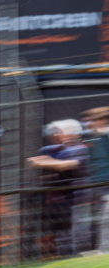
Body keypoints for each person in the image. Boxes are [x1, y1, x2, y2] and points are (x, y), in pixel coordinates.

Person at [29, 119, 91, 257]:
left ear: (71, 133)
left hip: (76, 199)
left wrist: (45, 162)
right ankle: (66, 258)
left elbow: (66, 165)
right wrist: (47, 163)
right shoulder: (51, 150)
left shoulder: (79, 148)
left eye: (58, 131)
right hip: (56, 200)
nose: (54, 135)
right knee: (62, 233)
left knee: (76, 234)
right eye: (53, 131)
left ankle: (78, 259)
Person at [83, 107, 109, 252]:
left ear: (102, 120)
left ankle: (105, 251)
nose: (89, 123)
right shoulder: (92, 137)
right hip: (98, 186)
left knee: (106, 220)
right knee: (102, 219)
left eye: (92, 120)